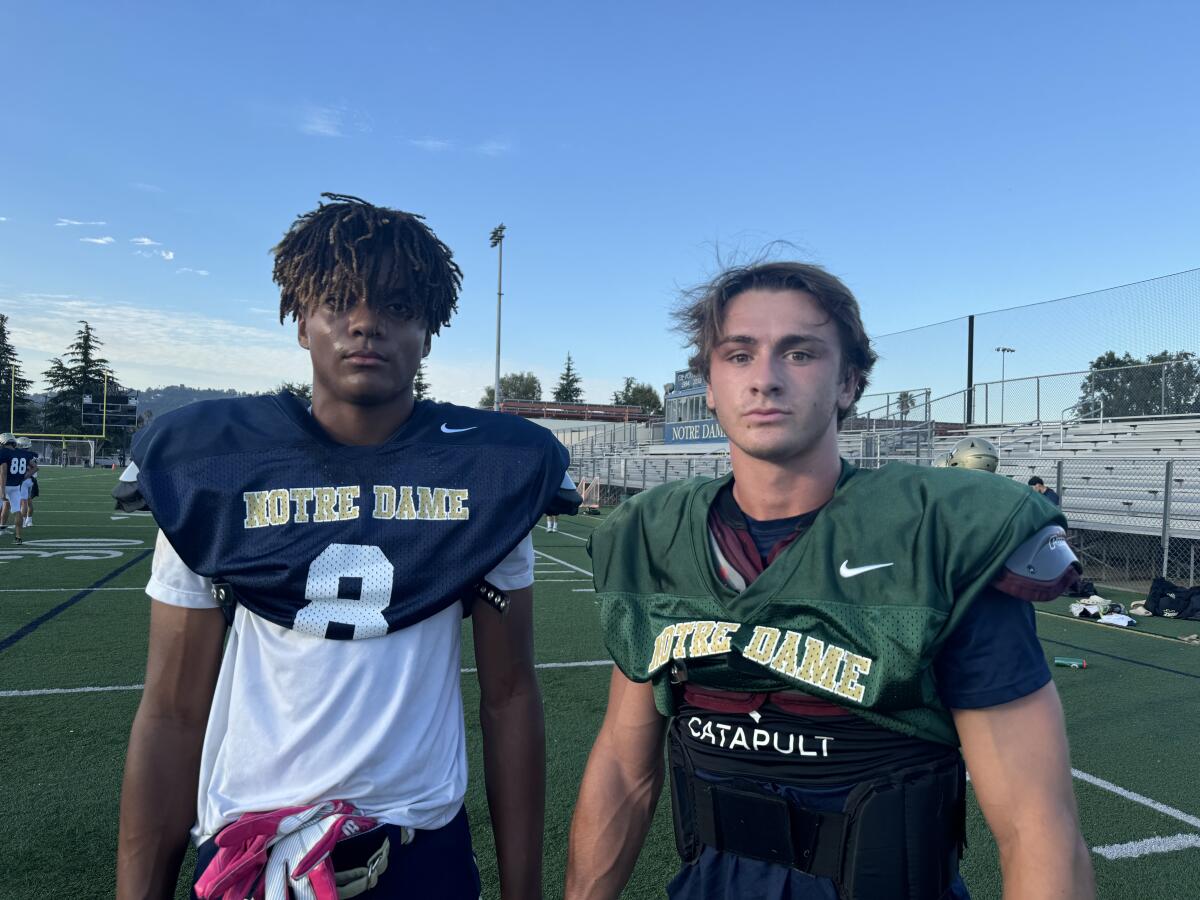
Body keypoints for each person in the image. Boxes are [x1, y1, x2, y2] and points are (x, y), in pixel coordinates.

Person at [566, 262, 1094, 900]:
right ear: (708, 384)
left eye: (799, 352)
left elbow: (1038, 825)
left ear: (848, 382)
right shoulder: (654, 535)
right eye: (738, 355)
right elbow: (624, 770)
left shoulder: (940, 535)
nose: (764, 378)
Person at [115, 193, 578, 899]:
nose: (366, 323)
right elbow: (173, 710)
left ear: (428, 329)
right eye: (338, 302)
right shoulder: (212, 471)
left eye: (396, 306)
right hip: (255, 846)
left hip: (417, 845)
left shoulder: (486, 473)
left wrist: (525, 892)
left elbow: (510, 695)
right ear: (301, 322)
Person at [1, 432, 37, 543]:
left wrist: (2, 491)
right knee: (17, 511)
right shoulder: (22, 453)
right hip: (16, 487)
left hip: (4, 485)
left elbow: (3, 473)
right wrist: (23, 477)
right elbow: (35, 468)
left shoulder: (3, 453)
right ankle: (18, 537)